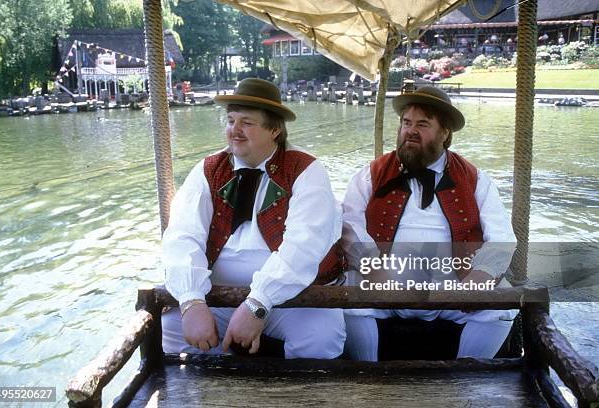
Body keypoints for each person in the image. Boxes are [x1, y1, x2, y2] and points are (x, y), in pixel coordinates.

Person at [161, 78, 346, 359]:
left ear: (274, 129)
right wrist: (191, 300)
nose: (234, 130)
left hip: (293, 299)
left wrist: (258, 303)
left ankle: (299, 399)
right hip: (218, 296)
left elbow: (305, 245)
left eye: (246, 122)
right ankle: (217, 393)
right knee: (172, 326)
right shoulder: (209, 169)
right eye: (231, 120)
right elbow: (182, 235)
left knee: (321, 336)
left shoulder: (304, 169)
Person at [341, 86, 517, 361]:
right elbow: (349, 226)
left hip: (454, 290)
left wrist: (474, 285)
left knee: (502, 307)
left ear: (445, 133)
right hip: (384, 286)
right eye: (406, 123)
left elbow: (502, 239)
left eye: (422, 124)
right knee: (346, 297)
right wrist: (376, 274)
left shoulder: (476, 180)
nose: (410, 131)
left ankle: (463, 383)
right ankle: (369, 379)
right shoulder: (371, 174)